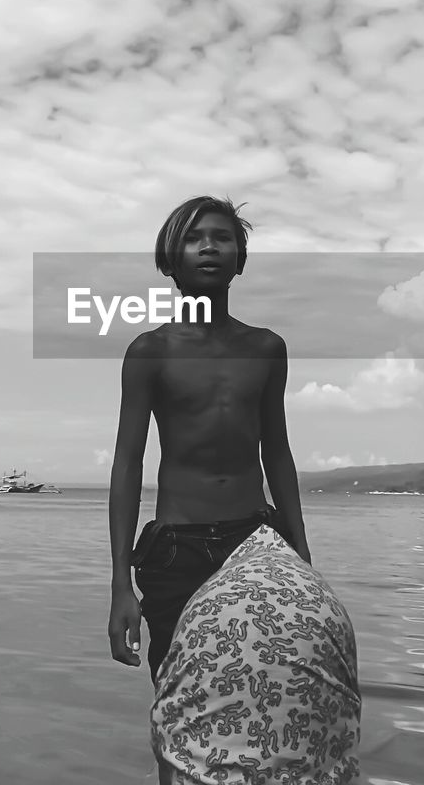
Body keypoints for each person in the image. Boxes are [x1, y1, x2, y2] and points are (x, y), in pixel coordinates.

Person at [108, 195, 312, 691]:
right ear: (170, 259)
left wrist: (302, 555)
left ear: (239, 260)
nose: (209, 248)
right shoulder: (150, 351)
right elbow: (127, 464)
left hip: (256, 541)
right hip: (178, 548)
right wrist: (120, 584)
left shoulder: (266, 348)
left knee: (265, 687)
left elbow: (277, 451)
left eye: (222, 238)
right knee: (179, 696)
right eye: (194, 239)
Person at [150, 523, 361, 784]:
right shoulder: (319, 597)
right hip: (311, 606)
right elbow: (349, 715)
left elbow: (168, 733)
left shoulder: (205, 603)